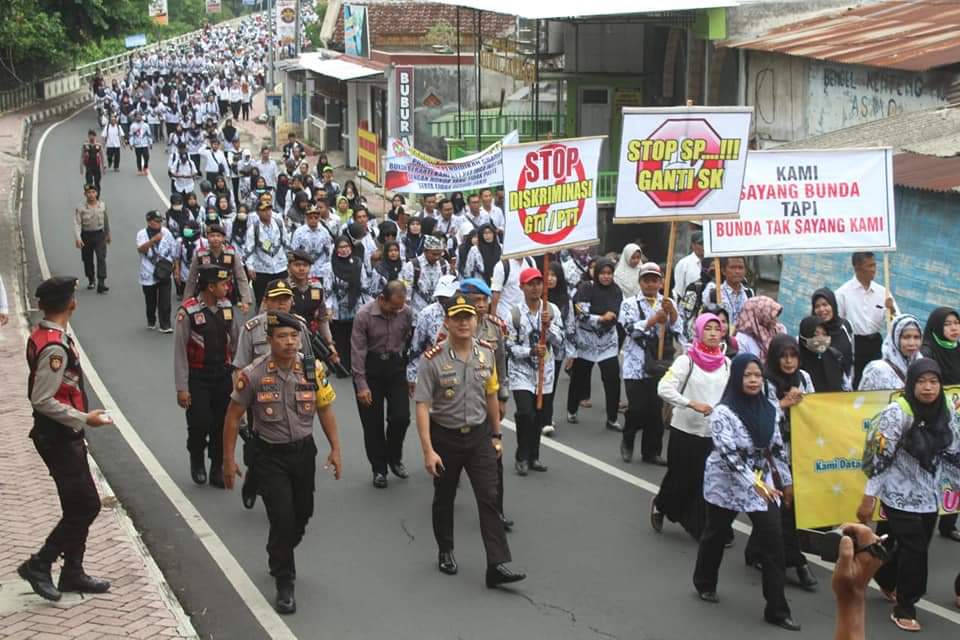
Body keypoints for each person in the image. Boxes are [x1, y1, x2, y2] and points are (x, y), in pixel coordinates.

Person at [223, 310, 342, 614]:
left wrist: (335, 449)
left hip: (303, 453)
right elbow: (233, 416)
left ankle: (279, 547)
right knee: (282, 517)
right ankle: (284, 579)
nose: (289, 342)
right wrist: (228, 460)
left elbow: (325, 408)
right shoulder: (253, 374)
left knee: (303, 513)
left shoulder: (312, 369)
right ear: (270, 340)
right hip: (269, 455)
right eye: (282, 337)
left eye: (293, 336)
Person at [414, 294, 526, 588]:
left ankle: (496, 565)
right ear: (447, 322)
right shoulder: (432, 359)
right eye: (457, 318)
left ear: (476, 321)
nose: (464, 323)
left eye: (468, 317)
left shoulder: (486, 353)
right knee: (445, 497)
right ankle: (445, 550)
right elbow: (422, 405)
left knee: (489, 496)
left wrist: (497, 435)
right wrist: (428, 450)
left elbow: (491, 394)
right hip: (445, 437)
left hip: (479, 437)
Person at [18, 276, 113, 602]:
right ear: (71, 303)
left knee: (76, 504)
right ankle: (39, 564)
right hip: (57, 436)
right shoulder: (55, 347)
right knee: (86, 505)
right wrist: (85, 418)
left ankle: (73, 571)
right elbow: (41, 399)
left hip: (61, 434)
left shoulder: (46, 335)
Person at [693, 353, 799, 631]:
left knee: (774, 541)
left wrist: (786, 483)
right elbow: (728, 455)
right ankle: (705, 582)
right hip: (727, 482)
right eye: (747, 375)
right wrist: (756, 484)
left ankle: (777, 609)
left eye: (758, 376)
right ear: (737, 378)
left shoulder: (770, 409)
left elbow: (777, 449)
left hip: (761, 483)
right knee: (716, 533)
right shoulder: (723, 413)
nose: (753, 381)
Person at [858, 359, 960, 631]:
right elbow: (880, 457)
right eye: (922, 382)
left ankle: (885, 576)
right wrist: (869, 497)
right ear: (911, 384)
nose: (928, 388)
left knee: (907, 544)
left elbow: (952, 453)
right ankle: (905, 606)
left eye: (934, 382)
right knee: (915, 548)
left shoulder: (946, 411)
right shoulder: (897, 412)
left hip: (929, 495)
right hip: (897, 493)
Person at [233, 279, 314, 508]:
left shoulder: (300, 326)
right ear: (266, 301)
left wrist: (313, 391)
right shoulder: (251, 329)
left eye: (285, 299)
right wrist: (240, 402)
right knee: (259, 446)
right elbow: (240, 367)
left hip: (294, 394)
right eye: (276, 299)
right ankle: (253, 479)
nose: (281, 304)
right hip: (261, 397)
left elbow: (309, 362)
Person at [744, 334, 817, 591]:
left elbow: (815, 408)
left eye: (793, 356)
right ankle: (797, 562)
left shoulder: (804, 378)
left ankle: (755, 550)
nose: (788, 362)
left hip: (798, 448)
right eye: (783, 356)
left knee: (785, 506)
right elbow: (759, 414)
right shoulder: (765, 381)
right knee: (783, 505)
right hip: (771, 452)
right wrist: (784, 403)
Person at [653, 313, 730, 540]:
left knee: (702, 480)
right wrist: (690, 403)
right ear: (698, 331)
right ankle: (660, 504)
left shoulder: (727, 364)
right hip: (684, 429)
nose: (713, 333)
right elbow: (664, 388)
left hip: (712, 433)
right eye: (708, 328)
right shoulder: (686, 361)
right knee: (679, 478)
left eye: (717, 329)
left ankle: (698, 526)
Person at [173, 264, 242, 487]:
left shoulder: (227, 308)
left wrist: (239, 374)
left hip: (222, 375)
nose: (227, 288)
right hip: (198, 376)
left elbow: (237, 343)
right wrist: (182, 388)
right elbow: (180, 352)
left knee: (222, 423)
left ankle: (217, 466)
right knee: (200, 422)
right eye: (223, 284)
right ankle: (197, 458)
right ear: (211, 287)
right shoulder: (188, 312)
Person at [460, 277, 513, 529]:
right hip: (457, 403)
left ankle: (496, 511)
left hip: (486, 400)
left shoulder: (494, 327)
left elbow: (501, 363)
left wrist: (502, 397)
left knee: (494, 458)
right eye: (475, 300)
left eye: (484, 299)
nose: (481, 304)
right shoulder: (454, 326)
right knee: (453, 461)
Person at [352, 281, 414, 488]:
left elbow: (406, 336)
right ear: (381, 299)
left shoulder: (406, 312)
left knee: (401, 417)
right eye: (392, 308)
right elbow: (357, 351)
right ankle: (379, 469)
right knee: (372, 423)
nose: (396, 312)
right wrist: (361, 384)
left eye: (399, 308)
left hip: (395, 367)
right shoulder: (363, 315)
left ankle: (394, 457)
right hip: (370, 368)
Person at [619, 262, 681, 464]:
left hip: (659, 363)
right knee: (637, 408)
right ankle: (628, 440)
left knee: (655, 410)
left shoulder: (667, 302)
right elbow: (629, 330)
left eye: (655, 280)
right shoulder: (629, 304)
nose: (650, 284)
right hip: (635, 364)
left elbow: (679, 330)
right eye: (646, 280)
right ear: (640, 282)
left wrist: (672, 314)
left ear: (661, 282)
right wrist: (653, 320)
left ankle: (651, 451)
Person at [506, 268, 563, 475]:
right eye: (530, 284)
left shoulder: (552, 310)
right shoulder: (514, 314)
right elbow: (509, 346)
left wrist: (549, 327)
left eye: (539, 283)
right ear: (522, 287)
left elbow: (560, 341)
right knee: (525, 413)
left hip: (544, 371)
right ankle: (521, 456)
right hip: (521, 371)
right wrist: (529, 351)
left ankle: (534, 456)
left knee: (539, 416)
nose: (535, 288)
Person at [567, 257, 622, 430]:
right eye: (603, 273)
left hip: (607, 342)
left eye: (609, 273)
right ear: (597, 273)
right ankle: (572, 410)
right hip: (587, 340)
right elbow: (581, 313)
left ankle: (612, 418)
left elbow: (615, 314)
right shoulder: (586, 288)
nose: (606, 276)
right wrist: (600, 318)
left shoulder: (616, 290)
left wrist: (606, 318)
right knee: (579, 377)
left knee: (612, 378)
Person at [920, 306, 960, 542]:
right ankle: (925, 519)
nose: (954, 328)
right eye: (947, 324)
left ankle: (949, 523)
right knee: (934, 471)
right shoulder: (927, 352)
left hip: (958, 422)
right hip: (935, 421)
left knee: (956, 470)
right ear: (936, 327)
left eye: (956, 323)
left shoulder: (958, 349)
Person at [835, 252, 897, 386]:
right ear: (857, 267)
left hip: (876, 343)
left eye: (874, 265)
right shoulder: (842, 294)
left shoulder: (883, 293)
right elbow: (836, 323)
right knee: (856, 381)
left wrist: (891, 309)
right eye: (869, 266)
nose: (874, 269)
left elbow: (897, 322)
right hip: (854, 345)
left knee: (878, 380)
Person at [322, 235, 375, 373]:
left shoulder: (357, 263)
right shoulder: (329, 267)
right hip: (337, 308)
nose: (344, 250)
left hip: (355, 306)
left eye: (346, 246)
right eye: (341, 247)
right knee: (340, 339)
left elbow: (364, 285)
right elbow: (327, 290)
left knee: (356, 338)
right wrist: (328, 308)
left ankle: (356, 366)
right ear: (336, 249)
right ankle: (342, 367)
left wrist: (369, 305)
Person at [406, 275, 460, 392]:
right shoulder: (427, 314)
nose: (443, 300)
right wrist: (412, 376)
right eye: (441, 297)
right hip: (434, 371)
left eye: (447, 297)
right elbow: (416, 347)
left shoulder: (465, 313)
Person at [183, 224, 252, 312]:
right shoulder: (200, 255)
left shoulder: (231, 254)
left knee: (226, 317)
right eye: (212, 236)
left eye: (218, 236)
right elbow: (191, 279)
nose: (215, 238)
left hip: (225, 293)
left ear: (223, 238)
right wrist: (186, 301)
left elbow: (241, 277)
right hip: (206, 294)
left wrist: (245, 300)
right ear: (207, 237)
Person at [288, 250, 337, 363]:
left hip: (311, 338)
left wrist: (329, 343)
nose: (301, 269)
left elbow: (322, 319)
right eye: (297, 265)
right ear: (289, 267)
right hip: (289, 339)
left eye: (305, 265)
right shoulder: (283, 287)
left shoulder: (316, 286)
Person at [136, 210, 177, 332]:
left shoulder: (166, 232)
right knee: (151, 300)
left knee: (165, 300)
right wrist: (153, 240)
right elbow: (140, 249)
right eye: (156, 221)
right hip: (148, 271)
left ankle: (165, 325)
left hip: (164, 270)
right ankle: (151, 319)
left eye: (160, 221)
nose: (159, 224)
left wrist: (175, 266)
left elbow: (173, 248)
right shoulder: (142, 234)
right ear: (149, 222)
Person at [859, 314, 923, 391]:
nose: (912, 343)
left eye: (916, 337)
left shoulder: (922, 367)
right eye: (906, 337)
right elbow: (864, 397)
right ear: (895, 338)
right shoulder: (877, 370)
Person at [245, 201, 289, 305]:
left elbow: (286, 243)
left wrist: (289, 262)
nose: (267, 212)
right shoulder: (254, 228)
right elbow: (249, 250)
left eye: (269, 209)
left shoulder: (279, 224)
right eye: (263, 210)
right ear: (257, 212)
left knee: (282, 298)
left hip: (280, 268)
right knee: (262, 300)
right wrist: (250, 267)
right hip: (262, 270)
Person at [399, 235, 452, 315]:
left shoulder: (444, 265)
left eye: (439, 254)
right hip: (417, 312)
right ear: (425, 251)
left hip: (438, 313)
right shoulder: (412, 266)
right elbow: (406, 292)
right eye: (434, 254)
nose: (437, 257)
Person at [74, 184, 111, 293]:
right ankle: (91, 279)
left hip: (99, 235)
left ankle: (101, 282)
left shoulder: (102, 205)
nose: (91, 195)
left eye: (93, 192)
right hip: (86, 235)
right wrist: (78, 238)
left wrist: (108, 234)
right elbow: (77, 223)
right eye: (89, 192)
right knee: (87, 259)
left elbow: (106, 220)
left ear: (97, 193)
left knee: (101, 257)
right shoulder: (80, 208)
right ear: (85, 194)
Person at [798, 316, 848, 392]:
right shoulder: (795, 362)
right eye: (815, 335)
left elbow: (845, 385)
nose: (821, 339)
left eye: (824, 334)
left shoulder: (834, 356)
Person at [701, 256, 755, 327]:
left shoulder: (749, 293)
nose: (737, 271)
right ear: (723, 271)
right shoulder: (714, 293)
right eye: (733, 267)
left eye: (741, 267)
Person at [672, 231, 703, 300]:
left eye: (705, 243)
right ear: (693, 245)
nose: (703, 246)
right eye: (701, 243)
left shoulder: (714, 262)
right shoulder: (683, 263)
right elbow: (678, 290)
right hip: (689, 302)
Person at [80, 129, 105, 196]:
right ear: (88, 136)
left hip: (97, 166)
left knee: (97, 183)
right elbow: (82, 156)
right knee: (89, 183)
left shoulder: (98, 145)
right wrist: (81, 167)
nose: (91, 137)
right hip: (89, 167)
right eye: (90, 135)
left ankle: (97, 197)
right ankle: (89, 197)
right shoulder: (85, 145)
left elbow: (102, 156)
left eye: (93, 135)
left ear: (95, 136)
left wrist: (103, 166)